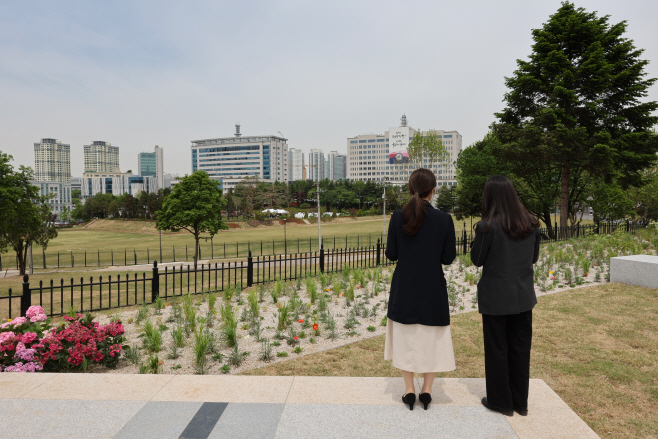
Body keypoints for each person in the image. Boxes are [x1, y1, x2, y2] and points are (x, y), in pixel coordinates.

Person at [384, 168, 457, 411]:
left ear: (409, 188)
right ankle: (426, 390)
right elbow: (448, 258)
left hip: (404, 285)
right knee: (431, 338)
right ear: (433, 190)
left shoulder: (397, 216)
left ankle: (408, 390)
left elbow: (391, 254)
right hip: (432, 286)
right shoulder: (444, 219)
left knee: (406, 337)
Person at [470, 175, 541, 417]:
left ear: (490, 196)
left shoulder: (486, 226)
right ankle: (520, 402)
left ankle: (501, 401)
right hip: (523, 296)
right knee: (521, 348)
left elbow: (477, 259)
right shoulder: (531, 222)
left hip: (496, 297)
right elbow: (533, 258)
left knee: (497, 349)